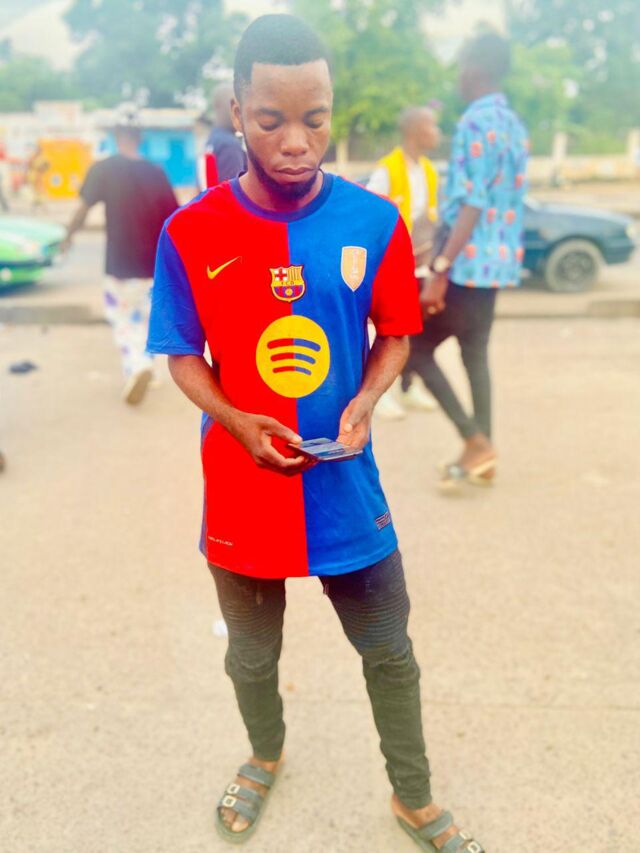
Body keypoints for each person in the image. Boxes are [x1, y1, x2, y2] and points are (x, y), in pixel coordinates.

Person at [148, 14, 484, 853]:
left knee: (390, 652)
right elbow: (182, 354)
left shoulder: (373, 221)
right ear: (237, 112)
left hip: (344, 486)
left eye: (316, 118)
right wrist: (234, 418)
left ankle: (414, 797)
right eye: (271, 120)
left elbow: (396, 334)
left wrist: (367, 398)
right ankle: (264, 754)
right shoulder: (190, 232)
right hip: (242, 486)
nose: (296, 142)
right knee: (250, 657)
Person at [418, 31, 529, 489]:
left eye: (462, 65)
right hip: (495, 266)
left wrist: (439, 269)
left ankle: (474, 441)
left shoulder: (474, 122)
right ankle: (484, 454)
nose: (458, 76)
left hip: (465, 265)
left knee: (414, 350)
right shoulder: (513, 124)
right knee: (475, 356)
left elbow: (472, 201)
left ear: (475, 70)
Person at [63, 117, 178, 405]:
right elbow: (175, 220)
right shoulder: (156, 172)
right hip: (153, 267)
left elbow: (83, 208)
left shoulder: (103, 169)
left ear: (117, 136)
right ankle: (147, 366)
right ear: (140, 138)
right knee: (147, 320)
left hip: (119, 266)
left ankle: (137, 367)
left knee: (124, 320)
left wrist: (68, 236)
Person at [368, 107, 440, 419]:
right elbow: (369, 216)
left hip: (419, 263)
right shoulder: (388, 169)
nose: (437, 133)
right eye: (431, 126)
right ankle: (378, 394)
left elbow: (428, 215)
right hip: (391, 265)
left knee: (413, 331)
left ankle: (408, 387)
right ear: (413, 130)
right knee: (386, 332)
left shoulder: (428, 170)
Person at [203, 82, 247, 187]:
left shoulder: (213, 140)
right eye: (233, 105)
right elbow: (233, 192)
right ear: (218, 106)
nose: (239, 112)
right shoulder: (229, 145)